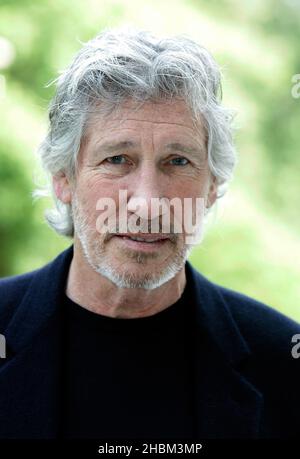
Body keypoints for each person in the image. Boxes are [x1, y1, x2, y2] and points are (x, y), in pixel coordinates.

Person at [0, 27, 299, 439]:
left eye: (177, 162)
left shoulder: (284, 360)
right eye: (118, 158)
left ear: (211, 185)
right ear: (63, 178)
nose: (148, 203)